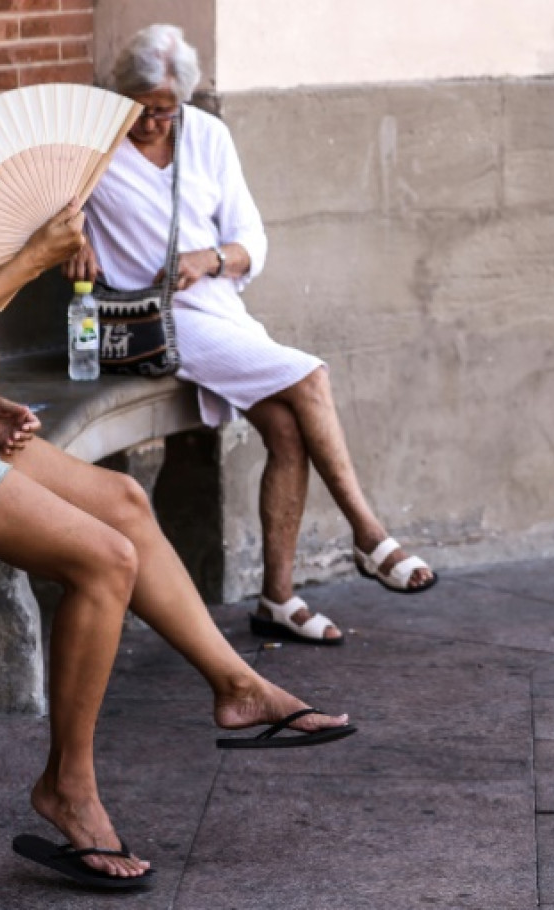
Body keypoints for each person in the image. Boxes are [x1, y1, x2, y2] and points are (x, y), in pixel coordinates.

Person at [0, 50, 353, 890]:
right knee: (106, 560)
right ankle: (67, 786)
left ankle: (237, 686)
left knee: (124, 501)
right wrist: (26, 259)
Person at [66, 25, 438, 647]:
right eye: (140, 107)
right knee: (312, 375)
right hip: (148, 322)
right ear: (117, 94)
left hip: (216, 308)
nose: (153, 122)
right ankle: (369, 534)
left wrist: (207, 259)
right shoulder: (88, 150)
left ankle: (277, 599)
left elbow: (251, 242)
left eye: (165, 109)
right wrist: (72, 243)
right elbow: (54, 221)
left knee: (287, 428)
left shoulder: (207, 137)